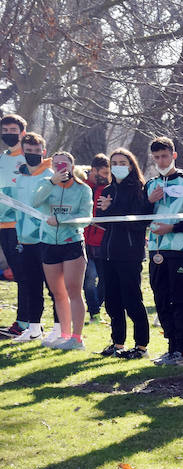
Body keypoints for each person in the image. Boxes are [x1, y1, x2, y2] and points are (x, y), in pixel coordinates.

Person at [145, 136, 183, 367]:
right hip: (155, 249)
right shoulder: (149, 185)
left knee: (179, 299)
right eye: (157, 157)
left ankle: (181, 352)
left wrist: (172, 228)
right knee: (160, 298)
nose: (161, 161)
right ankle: (170, 348)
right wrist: (149, 202)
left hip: (179, 250)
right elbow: (140, 217)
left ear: (174, 155)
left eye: (165, 156)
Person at [31, 149, 93, 350]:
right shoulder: (45, 184)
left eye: (64, 163)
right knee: (57, 293)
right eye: (56, 164)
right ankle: (64, 334)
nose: (60, 167)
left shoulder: (83, 189)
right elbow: (35, 202)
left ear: (71, 166)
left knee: (74, 290)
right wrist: (51, 182)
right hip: (48, 244)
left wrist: (61, 220)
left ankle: (77, 338)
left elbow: (86, 218)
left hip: (72, 242)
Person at [94, 149, 154, 358]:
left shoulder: (139, 189)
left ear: (131, 165)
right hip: (107, 253)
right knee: (112, 301)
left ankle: (141, 347)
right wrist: (105, 210)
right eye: (114, 163)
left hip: (129, 254)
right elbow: (102, 220)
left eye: (123, 162)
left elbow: (139, 223)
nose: (118, 166)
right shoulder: (107, 189)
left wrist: (111, 209)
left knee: (132, 300)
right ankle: (117, 343)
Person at [5, 132, 53, 342]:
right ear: (22, 152)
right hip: (24, 240)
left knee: (54, 287)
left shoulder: (50, 176)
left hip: (47, 239)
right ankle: (34, 330)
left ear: (43, 152)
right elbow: (10, 205)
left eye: (36, 151)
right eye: (28, 151)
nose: (32, 154)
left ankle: (62, 330)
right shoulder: (19, 177)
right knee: (32, 286)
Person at [0, 113, 28, 337]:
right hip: (2, 225)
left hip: (19, 226)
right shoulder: (2, 158)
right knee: (12, 273)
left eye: (13, 130)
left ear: (22, 133)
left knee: (22, 274)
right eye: (5, 131)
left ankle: (24, 323)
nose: (9, 134)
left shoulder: (29, 158)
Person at [82, 154, 110, 323]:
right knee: (89, 278)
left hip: (102, 240)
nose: (107, 176)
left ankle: (97, 306)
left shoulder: (108, 189)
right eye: (104, 172)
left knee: (105, 278)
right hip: (83, 240)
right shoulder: (82, 186)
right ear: (94, 170)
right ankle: (94, 312)